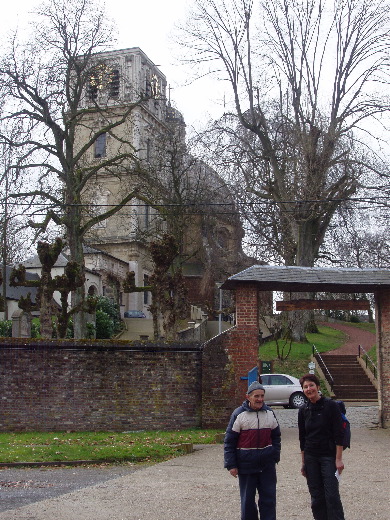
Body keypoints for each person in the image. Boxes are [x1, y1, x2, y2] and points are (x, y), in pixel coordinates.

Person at [224, 381, 281, 520]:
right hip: (246, 465)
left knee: (269, 500)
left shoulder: (269, 413)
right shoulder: (238, 414)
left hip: (267, 465)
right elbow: (229, 441)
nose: (260, 399)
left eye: (262, 396)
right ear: (248, 397)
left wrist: (275, 455)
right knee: (248, 502)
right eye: (256, 396)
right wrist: (231, 464)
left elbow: (276, 436)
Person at [298, 373, 345, 520]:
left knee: (331, 495)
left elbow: (339, 434)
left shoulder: (330, 406)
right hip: (311, 457)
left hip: (328, 456)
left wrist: (338, 459)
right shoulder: (303, 410)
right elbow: (302, 438)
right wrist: (303, 462)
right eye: (305, 387)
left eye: (311, 385)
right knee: (316, 497)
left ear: (318, 387)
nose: (309, 389)